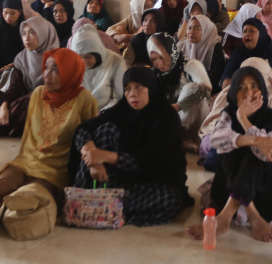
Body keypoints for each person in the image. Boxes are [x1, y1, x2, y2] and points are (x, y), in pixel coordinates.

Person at [0, 48, 99, 238]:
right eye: (46, 68)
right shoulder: (38, 93)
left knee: (22, 197)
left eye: (56, 69)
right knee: (1, 185)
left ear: (70, 71)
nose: (47, 74)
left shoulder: (85, 100)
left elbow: (90, 139)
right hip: (28, 160)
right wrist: (20, 162)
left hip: (56, 170)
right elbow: (28, 134)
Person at [68, 66, 191, 226]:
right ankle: (100, 203)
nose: (132, 94)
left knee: (171, 199)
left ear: (151, 87)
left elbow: (152, 160)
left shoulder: (167, 117)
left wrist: (106, 156)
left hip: (152, 183)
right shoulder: (121, 110)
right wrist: (93, 160)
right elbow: (83, 129)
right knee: (105, 130)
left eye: (138, 87)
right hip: (116, 179)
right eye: (127, 89)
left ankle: (96, 203)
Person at [187, 65, 272, 243]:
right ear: (234, 93)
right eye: (241, 87)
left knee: (257, 154)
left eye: (254, 86)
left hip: (266, 194)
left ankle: (224, 218)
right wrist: (254, 139)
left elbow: (268, 154)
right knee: (231, 147)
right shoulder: (229, 114)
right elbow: (215, 141)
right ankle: (252, 214)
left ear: (262, 90)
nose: (248, 92)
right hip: (226, 190)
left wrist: (244, 121)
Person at [0, 16, 59, 137]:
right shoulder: (21, 58)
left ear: (43, 33)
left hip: (45, 106)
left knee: (37, 95)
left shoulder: (57, 58)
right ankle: (15, 126)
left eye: (32, 33)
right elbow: (14, 87)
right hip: (21, 102)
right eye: (24, 34)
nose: (26, 38)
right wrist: (4, 105)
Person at [147, 33, 212, 145]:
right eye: (154, 59)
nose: (160, 63)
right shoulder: (155, 74)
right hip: (169, 123)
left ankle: (172, 138)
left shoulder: (189, 64)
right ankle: (176, 141)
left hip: (196, 124)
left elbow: (205, 89)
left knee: (191, 87)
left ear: (171, 51)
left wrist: (179, 106)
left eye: (162, 57)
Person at [69, 23, 126, 110]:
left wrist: (99, 115)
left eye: (88, 57)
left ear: (97, 52)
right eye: (80, 57)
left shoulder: (115, 62)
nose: (84, 62)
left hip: (107, 113)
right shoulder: (74, 64)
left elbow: (119, 97)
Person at [220, 17, 272, 89]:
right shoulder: (238, 53)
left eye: (251, 31)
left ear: (261, 34)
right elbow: (227, 74)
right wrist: (226, 80)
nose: (247, 34)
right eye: (244, 31)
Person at [177, 14, 226, 93]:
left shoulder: (214, 47)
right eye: (189, 28)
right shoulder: (182, 45)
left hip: (206, 92)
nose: (191, 32)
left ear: (206, 30)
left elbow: (214, 78)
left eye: (196, 28)